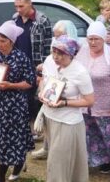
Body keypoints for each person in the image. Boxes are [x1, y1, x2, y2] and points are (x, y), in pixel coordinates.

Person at [30, 35, 95, 182]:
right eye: (54, 51)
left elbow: (89, 100)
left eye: (61, 53)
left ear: (72, 54)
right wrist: (43, 92)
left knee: (56, 161)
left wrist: (65, 102)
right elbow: (44, 80)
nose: (56, 56)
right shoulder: (49, 61)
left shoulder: (80, 72)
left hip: (68, 121)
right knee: (62, 157)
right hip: (49, 116)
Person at [0, 21, 35, 182]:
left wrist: (10, 85)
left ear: (12, 41)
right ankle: (1, 174)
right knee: (2, 139)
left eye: (3, 40)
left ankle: (18, 164)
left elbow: (29, 82)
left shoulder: (21, 58)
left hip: (16, 105)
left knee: (17, 136)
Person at [77, 22, 110, 174]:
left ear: (104, 39)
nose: (92, 42)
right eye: (90, 39)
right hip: (85, 104)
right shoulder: (83, 52)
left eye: (96, 39)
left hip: (106, 105)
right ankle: (102, 162)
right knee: (92, 135)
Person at [31, 20, 77, 160]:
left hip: (67, 102)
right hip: (51, 97)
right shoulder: (52, 56)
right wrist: (41, 91)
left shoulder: (76, 56)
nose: (56, 40)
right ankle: (47, 147)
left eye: (60, 36)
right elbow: (45, 76)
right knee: (49, 124)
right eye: (55, 36)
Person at [13, 0, 54, 143]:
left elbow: (47, 46)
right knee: (21, 98)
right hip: (19, 65)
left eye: (21, 6)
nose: (18, 9)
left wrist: (42, 72)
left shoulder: (41, 20)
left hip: (35, 66)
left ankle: (36, 131)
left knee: (33, 100)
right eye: (16, 6)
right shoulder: (14, 19)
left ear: (30, 3)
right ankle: (24, 129)